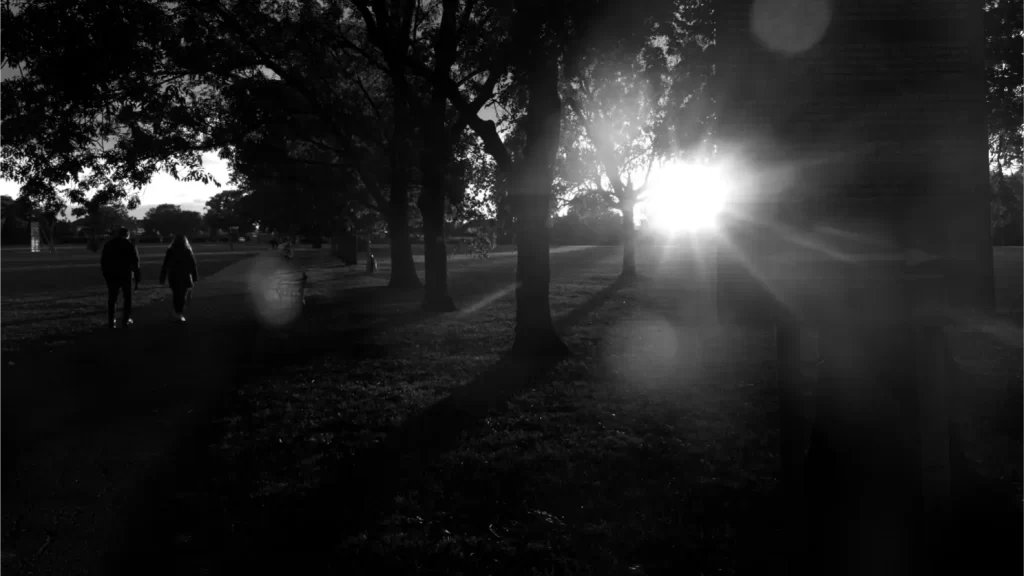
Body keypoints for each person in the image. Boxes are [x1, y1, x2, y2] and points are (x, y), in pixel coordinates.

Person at [100, 227, 141, 329]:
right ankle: (126, 319)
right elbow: (135, 262)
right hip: (126, 274)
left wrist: (105, 274)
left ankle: (111, 321)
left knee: (112, 298)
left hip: (112, 274)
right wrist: (137, 278)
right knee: (127, 298)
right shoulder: (130, 245)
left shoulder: (109, 244)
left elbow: (103, 261)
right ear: (127, 234)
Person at [159, 233, 199, 322]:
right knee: (182, 295)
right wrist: (195, 276)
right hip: (184, 275)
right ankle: (179, 312)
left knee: (176, 294)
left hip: (173, 275)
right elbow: (193, 265)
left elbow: (165, 265)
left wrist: (162, 277)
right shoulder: (187, 250)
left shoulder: (170, 250)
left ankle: (177, 311)